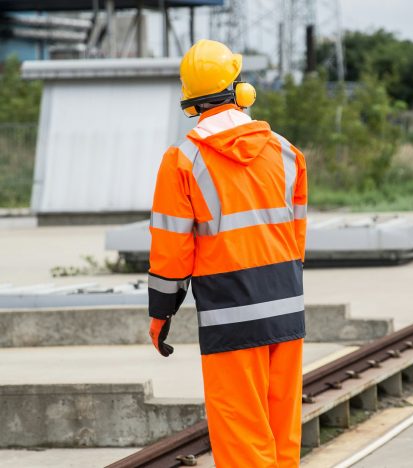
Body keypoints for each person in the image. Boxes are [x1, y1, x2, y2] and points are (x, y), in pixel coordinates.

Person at [148, 39, 308, 468]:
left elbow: (171, 249)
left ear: (191, 101)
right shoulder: (287, 153)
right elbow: (296, 239)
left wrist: (161, 312)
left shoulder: (182, 160)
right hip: (287, 308)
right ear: (241, 89)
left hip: (230, 315)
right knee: (281, 435)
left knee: (242, 440)